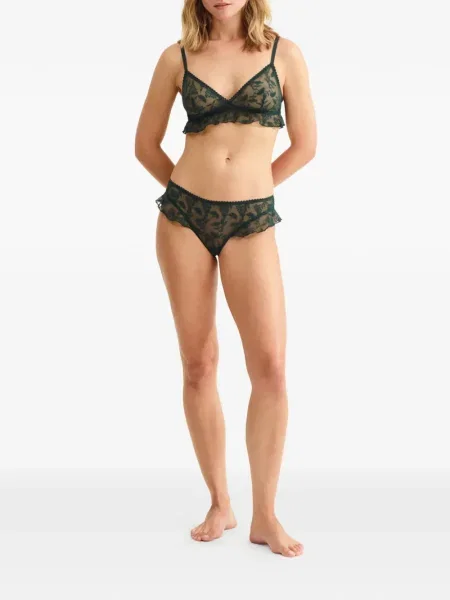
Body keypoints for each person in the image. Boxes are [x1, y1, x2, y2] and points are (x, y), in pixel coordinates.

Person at [135, 0, 316, 558]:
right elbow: (144, 145)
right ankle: (220, 503)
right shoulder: (176, 58)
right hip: (183, 219)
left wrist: (253, 188)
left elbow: (306, 145)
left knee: (271, 369)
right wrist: (189, 193)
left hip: (252, 218)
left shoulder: (285, 55)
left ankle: (265, 515)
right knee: (199, 364)